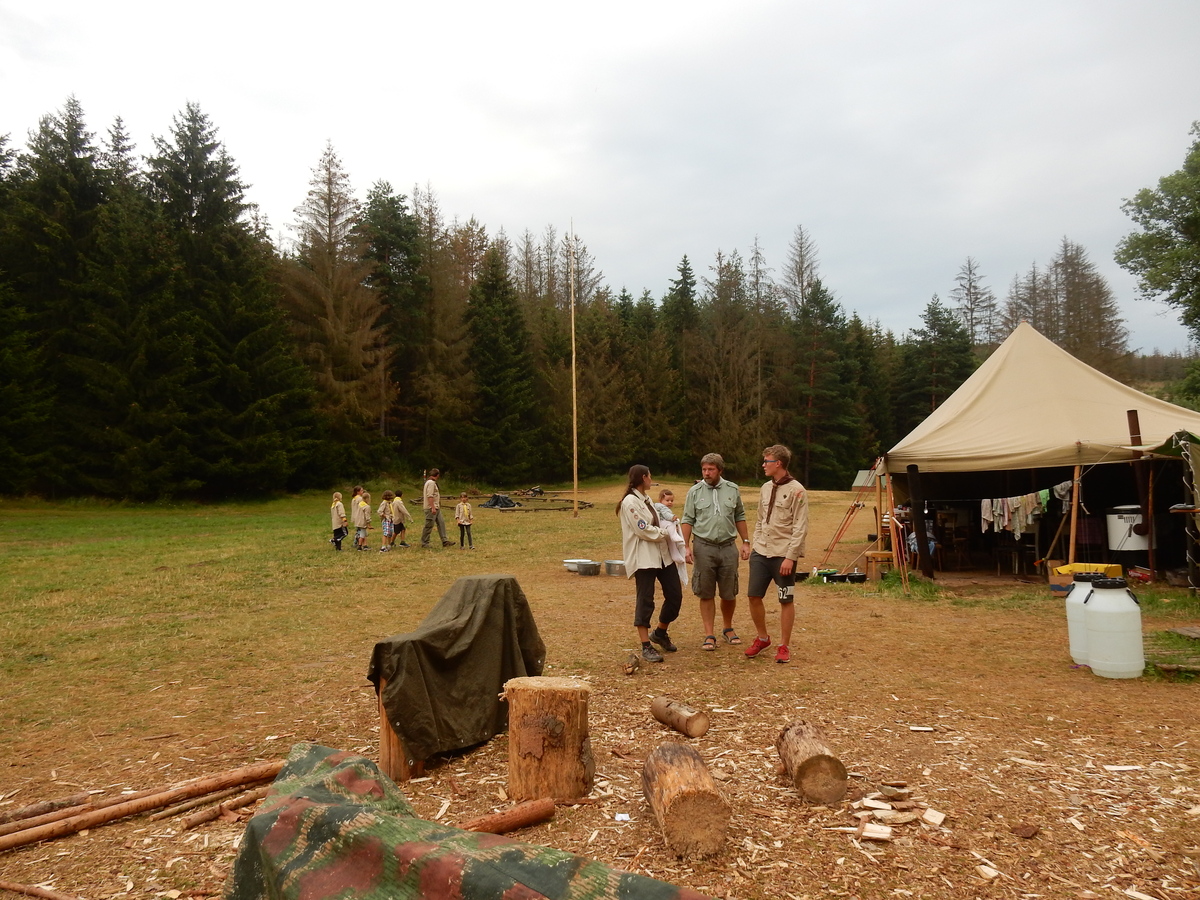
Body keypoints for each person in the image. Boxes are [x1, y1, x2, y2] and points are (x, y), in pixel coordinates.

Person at [744, 444, 808, 664]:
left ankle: (784, 646)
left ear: (778, 463)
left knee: (785, 599)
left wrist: (790, 557)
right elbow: (760, 519)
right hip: (761, 551)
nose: (763, 465)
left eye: (767, 461)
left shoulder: (797, 490)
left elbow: (800, 526)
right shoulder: (765, 488)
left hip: (783, 554)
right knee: (753, 596)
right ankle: (763, 638)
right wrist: (756, 544)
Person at [681, 452, 750, 652]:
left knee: (729, 592)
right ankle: (709, 634)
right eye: (704, 469)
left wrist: (745, 542)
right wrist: (685, 546)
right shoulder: (694, 492)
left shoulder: (732, 489)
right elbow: (687, 519)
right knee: (706, 592)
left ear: (720, 470)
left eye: (710, 469)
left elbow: (739, 515)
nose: (706, 473)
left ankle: (728, 628)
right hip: (704, 547)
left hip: (728, 547)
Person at [617, 465, 683, 663]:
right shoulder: (630, 502)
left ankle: (660, 633)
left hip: (662, 556)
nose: (651, 479)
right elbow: (643, 529)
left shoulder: (646, 500)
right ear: (644, 477)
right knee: (645, 599)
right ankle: (646, 645)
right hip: (644, 557)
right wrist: (665, 533)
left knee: (675, 595)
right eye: (650, 476)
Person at [654, 489, 688, 590]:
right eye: (667, 500)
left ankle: (675, 541)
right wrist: (673, 517)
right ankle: (674, 536)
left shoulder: (658, 506)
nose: (670, 502)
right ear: (660, 500)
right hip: (662, 524)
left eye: (671, 501)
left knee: (672, 525)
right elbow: (666, 515)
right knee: (671, 524)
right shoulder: (661, 507)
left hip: (661, 526)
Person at [420, 469, 453, 548]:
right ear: (437, 475)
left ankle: (445, 541)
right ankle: (424, 542)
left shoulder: (431, 482)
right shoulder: (431, 483)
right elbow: (430, 496)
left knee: (441, 523)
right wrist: (432, 507)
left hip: (436, 507)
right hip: (431, 508)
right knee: (429, 525)